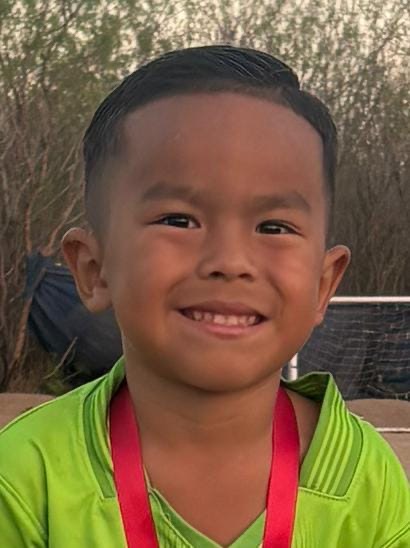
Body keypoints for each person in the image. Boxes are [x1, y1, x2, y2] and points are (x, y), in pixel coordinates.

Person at [0, 45, 408, 547]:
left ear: (324, 285)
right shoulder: (25, 479)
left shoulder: (366, 482)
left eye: (274, 227)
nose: (230, 260)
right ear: (93, 269)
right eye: (179, 220)